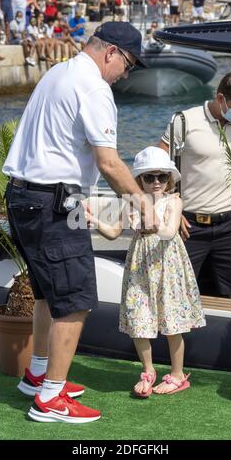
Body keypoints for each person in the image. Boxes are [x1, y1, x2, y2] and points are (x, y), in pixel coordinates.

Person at [2, 21, 159, 423]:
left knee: (46, 294)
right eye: (128, 64)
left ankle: (38, 375)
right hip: (53, 202)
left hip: (22, 196)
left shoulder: (58, 72)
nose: (126, 73)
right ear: (110, 53)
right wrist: (143, 205)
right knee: (76, 301)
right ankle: (50, 399)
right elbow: (109, 161)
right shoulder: (94, 87)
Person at [84, 146, 206, 397]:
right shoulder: (130, 202)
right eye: (149, 177)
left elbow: (170, 232)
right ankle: (148, 371)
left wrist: (150, 226)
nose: (157, 182)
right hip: (140, 266)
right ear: (139, 179)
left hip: (168, 265)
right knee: (138, 316)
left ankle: (177, 375)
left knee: (172, 320)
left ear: (169, 178)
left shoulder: (174, 200)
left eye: (162, 176)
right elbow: (114, 233)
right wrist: (94, 221)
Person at [159, 72, 231, 301]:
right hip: (189, 226)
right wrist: (169, 207)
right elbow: (157, 165)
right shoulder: (184, 121)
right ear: (220, 98)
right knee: (178, 295)